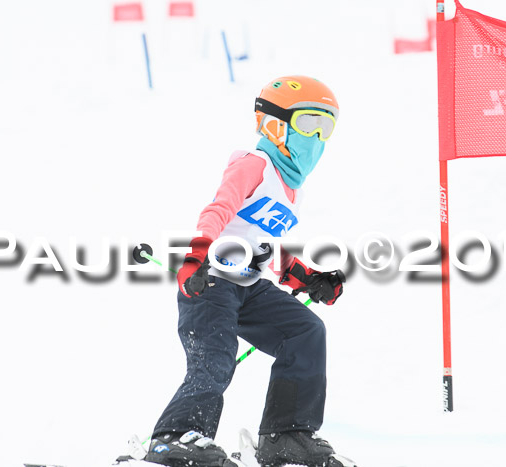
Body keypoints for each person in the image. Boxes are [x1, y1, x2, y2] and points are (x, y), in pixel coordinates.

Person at [137, 76, 353, 467]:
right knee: (216, 358)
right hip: (211, 279)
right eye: (308, 124)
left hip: (248, 286)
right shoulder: (254, 164)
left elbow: (267, 245)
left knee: (305, 332)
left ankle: (286, 435)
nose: (317, 137)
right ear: (273, 123)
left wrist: (305, 277)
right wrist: (195, 258)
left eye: (326, 128)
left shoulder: (292, 189)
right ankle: (174, 439)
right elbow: (219, 209)